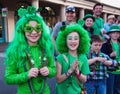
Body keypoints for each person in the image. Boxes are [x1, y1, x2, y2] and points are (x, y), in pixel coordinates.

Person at [4, 6, 56, 94]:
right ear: (22, 31)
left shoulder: (46, 48)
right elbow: (8, 78)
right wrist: (26, 75)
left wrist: (49, 71)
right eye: (29, 28)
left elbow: (53, 70)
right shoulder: (15, 51)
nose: (34, 32)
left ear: (42, 30)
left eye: (38, 28)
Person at [55, 24, 90, 94]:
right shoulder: (60, 58)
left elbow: (84, 80)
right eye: (70, 38)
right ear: (65, 41)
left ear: (80, 41)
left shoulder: (83, 57)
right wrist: (70, 70)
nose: (73, 41)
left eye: (76, 38)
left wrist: (77, 72)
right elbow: (58, 80)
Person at [101, 25, 120, 94]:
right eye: (113, 33)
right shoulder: (105, 45)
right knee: (109, 91)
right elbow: (102, 58)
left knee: (118, 91)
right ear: (110, 34)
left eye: (117, 33)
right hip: (110, 72)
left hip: (119, 71)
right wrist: (110, 55)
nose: (115, 34)